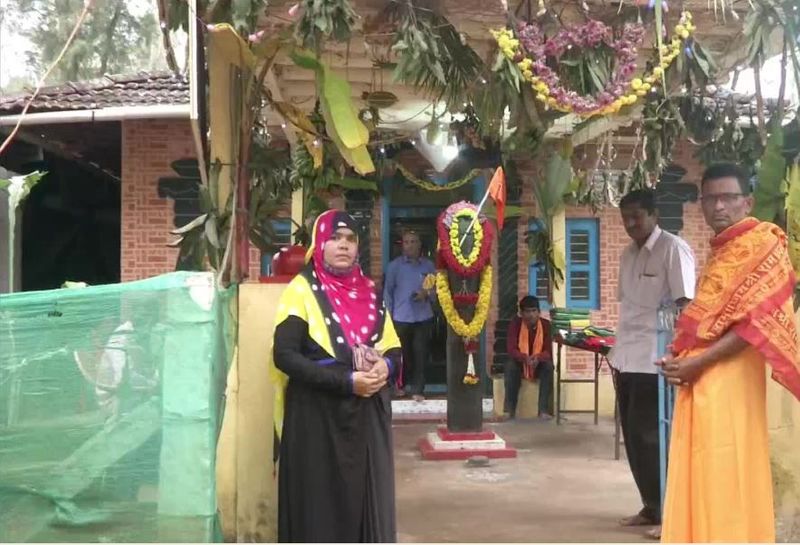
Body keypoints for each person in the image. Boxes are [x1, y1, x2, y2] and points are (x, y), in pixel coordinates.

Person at [658, 163, 800, 543]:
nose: (719, 206)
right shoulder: (721, 252)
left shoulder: (764, 243)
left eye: (729, 198)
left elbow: (757, 322)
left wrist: (698, 362)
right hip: (701, 377)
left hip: (731, 380)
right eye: (711, 198)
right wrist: (679, 359)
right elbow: (708, 322)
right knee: (702, 468)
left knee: (726, 469)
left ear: (747, 201)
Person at [269, 210, 402, 543]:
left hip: (366, 419)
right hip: (317, 421)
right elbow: (285, 356)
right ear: (319, 243)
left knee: (365, 509)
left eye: (350, 239)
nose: (343, 246)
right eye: (335, 238)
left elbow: (395, 350)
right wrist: (346, 382)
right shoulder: (301, 291)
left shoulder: (371, 293)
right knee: (321, 510)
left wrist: (386, 367)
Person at [610, 189, 696, 537]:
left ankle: (669, 514)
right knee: (632, 437)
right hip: (626, 356)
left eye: (637, 217)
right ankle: (650, 507)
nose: (631, 224)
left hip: (655, 359)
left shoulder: (673, 250)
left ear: (654, 215)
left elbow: (686, 306)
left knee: (653, 437)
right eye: (626, 217)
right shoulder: (628, 255)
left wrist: (679, 355)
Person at [383, 229, 436, 402]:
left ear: (420, 245)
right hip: (400, 317)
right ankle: (399, 386)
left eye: (414, 242)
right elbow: (387, 292)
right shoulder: (394, 267)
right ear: (402, 245)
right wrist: (388, 316)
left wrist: (426, 294)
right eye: (407, 242)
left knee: (421, 354)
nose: (410, 245)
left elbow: (437, 289)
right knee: (400, 354)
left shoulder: (428, 266)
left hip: (423, 317)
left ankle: (418, 389)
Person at [503, 295, 553, 419]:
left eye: (534, 311)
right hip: (521, 363)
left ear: (539, 312)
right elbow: (511, 349)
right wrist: (524, 358)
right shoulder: (515, 325)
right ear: (521, 313)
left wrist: (538, 358)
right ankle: (509, 411)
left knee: (548, 366)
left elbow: (549, 351)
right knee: (510, 366)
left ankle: (543, 410)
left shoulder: (546, 325)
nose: (531, 315)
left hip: (538, 364)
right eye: (527, 311)